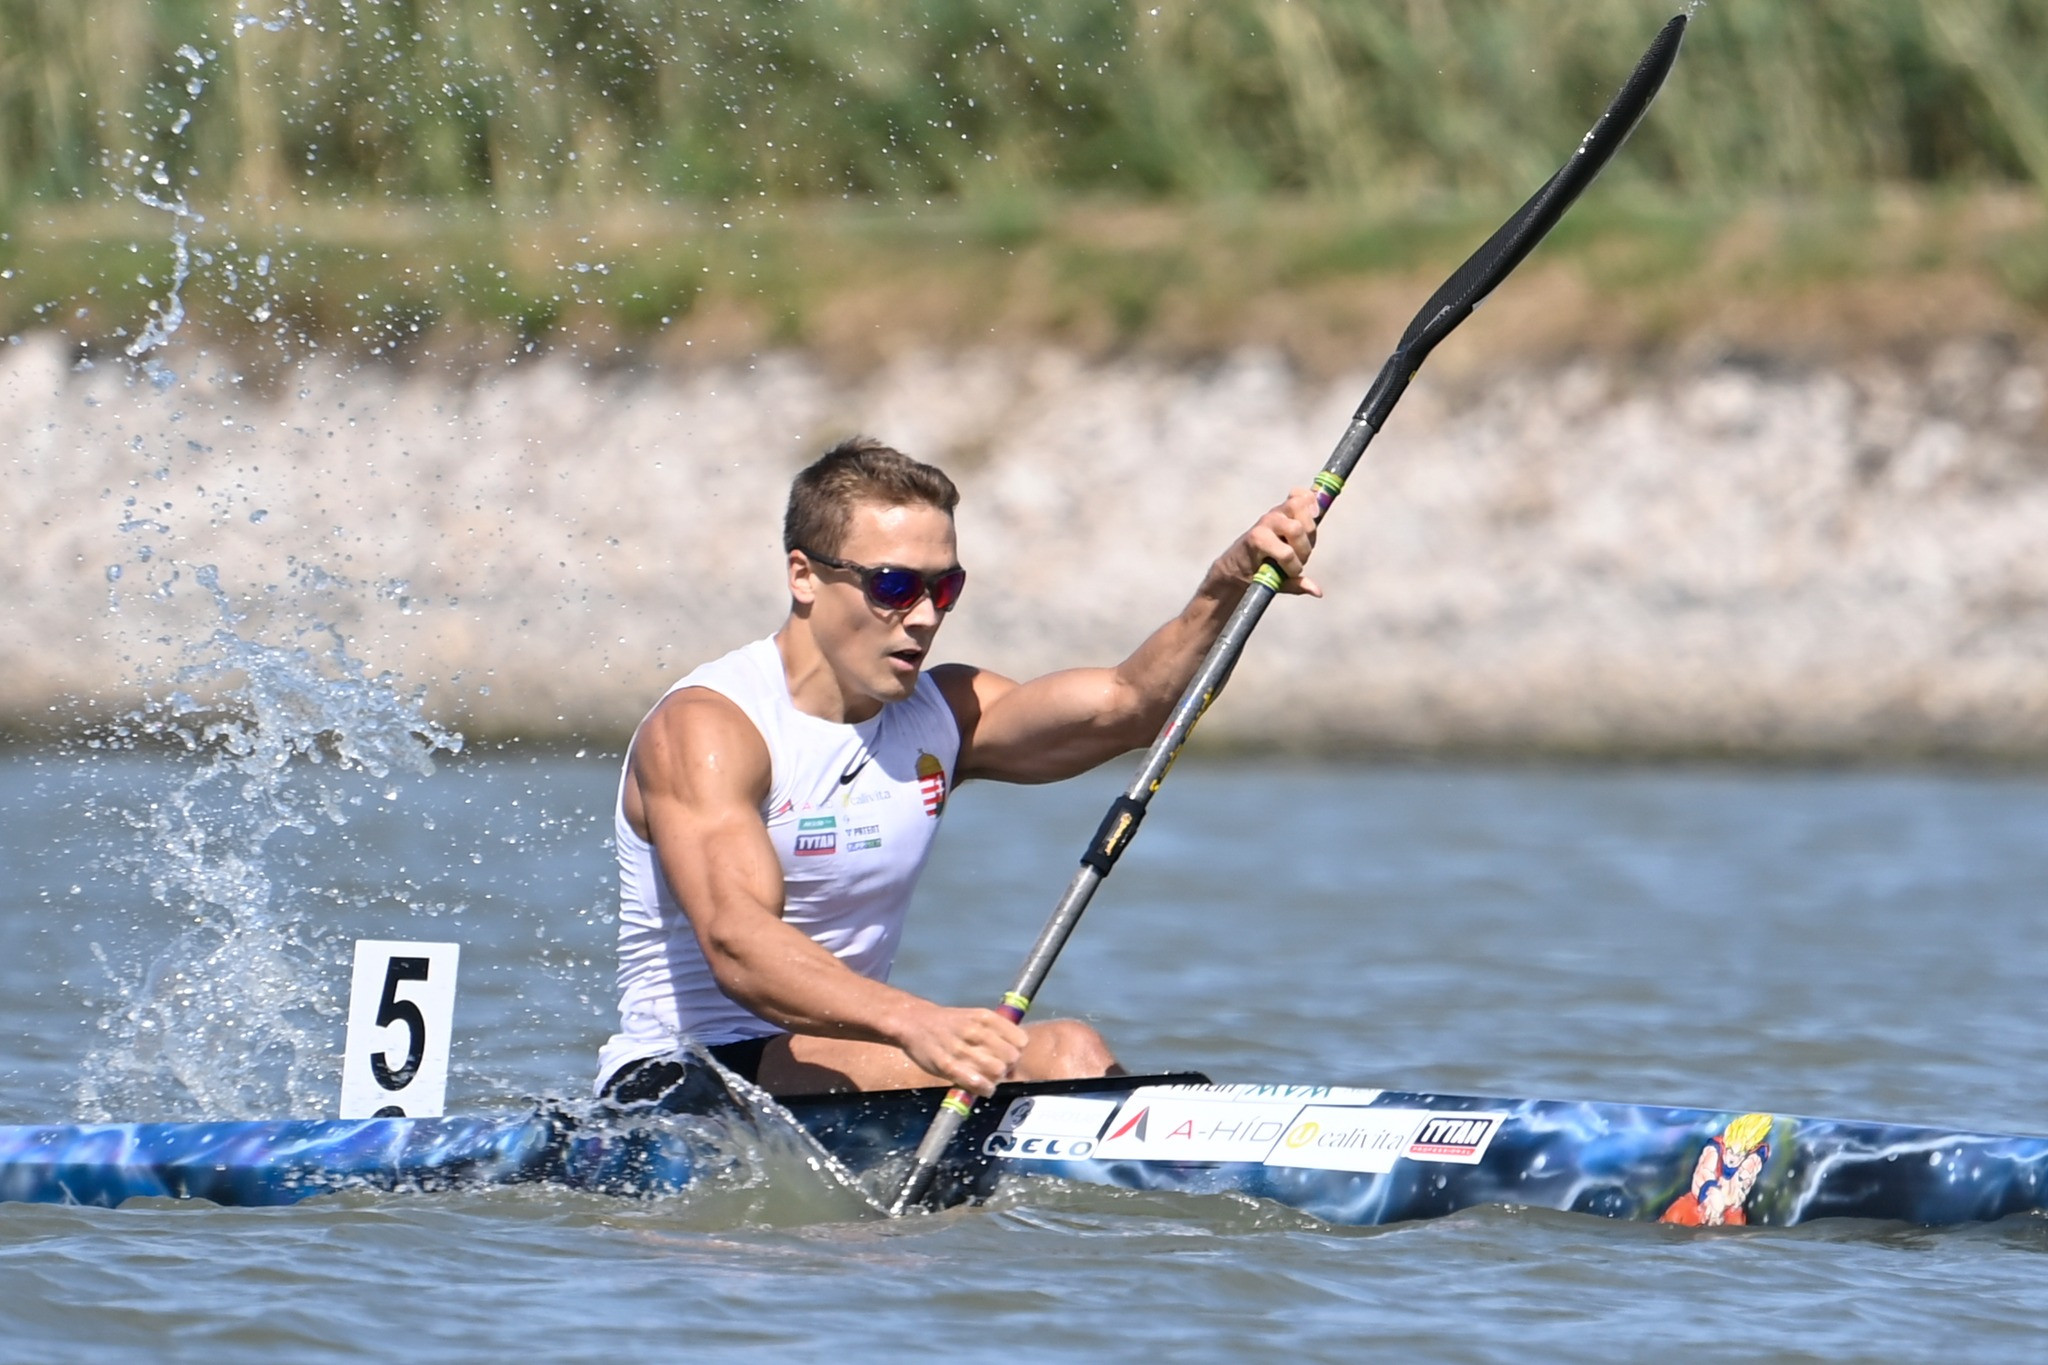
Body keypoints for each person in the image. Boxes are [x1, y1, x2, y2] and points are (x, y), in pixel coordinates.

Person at [596, 436, 1321, 1104]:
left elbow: (1132, 706)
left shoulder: (939, 713)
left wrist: (1228, 581)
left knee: (1050, 1064)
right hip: (679, 1082)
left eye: (943, 588)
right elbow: (737, 944)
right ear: (803, 576)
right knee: (1064, 1049)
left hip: (839, 1064)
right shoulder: (712, 727)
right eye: (892, 586)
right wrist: (918, 1023)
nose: (921, 616)